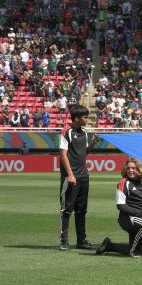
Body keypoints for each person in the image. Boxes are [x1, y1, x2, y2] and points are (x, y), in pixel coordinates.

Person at [58, 104, 100, 251]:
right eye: (85, 117)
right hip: (71, 177)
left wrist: (94, 142)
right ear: (76, 118)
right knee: (66, 210)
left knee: (82, 210)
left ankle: (81, 240)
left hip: (84, 176)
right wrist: (70, 174)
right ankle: (64, 241)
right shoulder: (66, 131)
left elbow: (84, 152)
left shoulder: (84, 132)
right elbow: (63, 153)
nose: (87, 119)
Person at [96, 158, 142, 258]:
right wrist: (139, 212)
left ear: (139, 169)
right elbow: (120, 205)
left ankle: (109, 246)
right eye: (128, 168)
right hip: (127, 219)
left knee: (138, 250)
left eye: (133, 168)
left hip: (141, 218)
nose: (130, 170)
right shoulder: (124, 182)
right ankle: (133, 251)